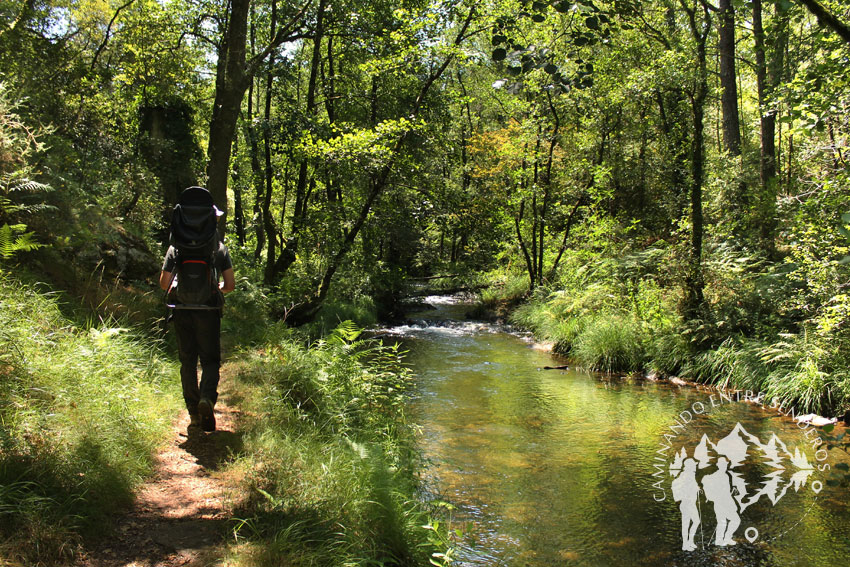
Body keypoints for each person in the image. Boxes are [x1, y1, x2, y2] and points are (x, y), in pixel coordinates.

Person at [159, 187, 235, 432]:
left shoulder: (176, 248)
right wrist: (217, 288)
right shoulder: (219, 248)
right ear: (211, 220)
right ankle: (207, 399)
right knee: (210, 360)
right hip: (209, 310)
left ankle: (193, 412)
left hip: (181, 308)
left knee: (187, 361)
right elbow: (230, 285)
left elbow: (164, 283)